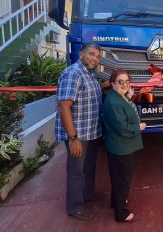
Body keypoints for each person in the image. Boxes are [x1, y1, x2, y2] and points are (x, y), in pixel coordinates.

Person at [55, 43, 104, 221]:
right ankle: (75, 207)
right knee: (77, 171)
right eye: (91, 54)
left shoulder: (89, 74)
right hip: (79, 134)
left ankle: (88, 194)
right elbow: (64, 106)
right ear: (81, 54)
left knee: (88, 167)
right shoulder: (73, 73)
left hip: (91, 132)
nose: (95, 59)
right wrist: (73, 138)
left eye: (98, 56)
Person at [102, 69, 146, 223]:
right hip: (121, 147)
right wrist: (138, 127)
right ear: (112, 83)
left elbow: (126, 108)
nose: (125, 84)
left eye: (127, 81)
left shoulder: (117, 97)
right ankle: (121, 213)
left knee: (117, 177)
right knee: (123, 179)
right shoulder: (113, 101)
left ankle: (116, 202)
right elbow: (122, 128)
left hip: (120, 146)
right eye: (120, 82)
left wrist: (128, 97)